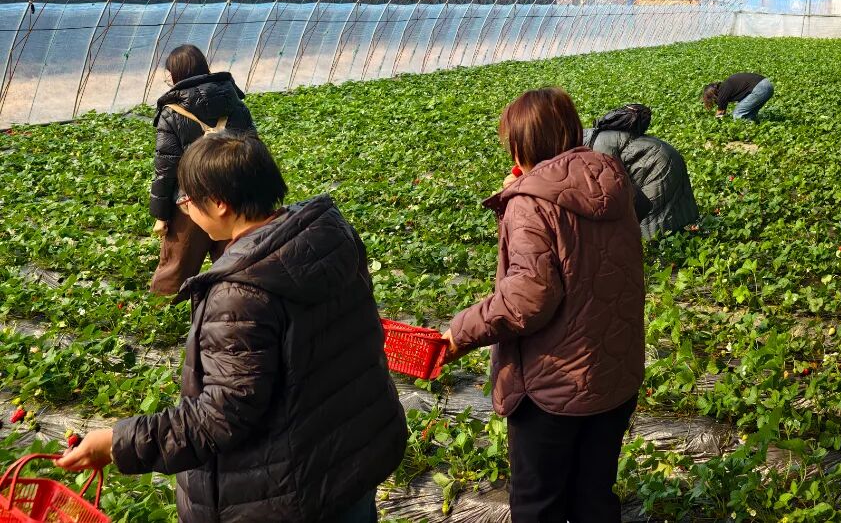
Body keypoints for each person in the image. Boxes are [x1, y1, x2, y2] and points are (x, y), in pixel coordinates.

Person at [58, 133, 407, 522]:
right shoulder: (327, 236)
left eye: (187, 200)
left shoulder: (241, 293)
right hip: (352, 460)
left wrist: (117, 443)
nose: (186, 209)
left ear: (220, 203)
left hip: (291, 493)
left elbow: (222, 415)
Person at [443, 88, 644, 523]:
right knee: (594, 497)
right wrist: (522, 194)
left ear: (522, 145)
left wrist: (460, 331)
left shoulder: (532, 203)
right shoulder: (612, 179)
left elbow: (527, 298)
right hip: (614, 373)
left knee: (539, 506)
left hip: (554, 386)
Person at [149, 44, 255, 295]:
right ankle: (237, 308)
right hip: (233, 199)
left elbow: (166, 167)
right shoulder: (235, 104)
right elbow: (253, 151)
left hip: (190, 203)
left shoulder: (172, 112)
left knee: (175, 270)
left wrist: (161, 215)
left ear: (175, 74)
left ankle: (163, 314)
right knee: (236, 266)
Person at [584, 105, 698, 240]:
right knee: (669, 209)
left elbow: (610, 188)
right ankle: (681, 239)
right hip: (664, 155)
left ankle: (662, 247)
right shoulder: (596, 136)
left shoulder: (599, 146)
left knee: (650, 217)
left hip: (657, 165)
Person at [701, 73, 774, 121]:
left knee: (737, 113)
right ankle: (753, 129)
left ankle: (745, 132)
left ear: (712, 95)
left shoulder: (722, 93)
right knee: (749, 114)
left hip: (760, 87)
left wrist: (717, 123)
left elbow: (720, 114)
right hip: (767, 84)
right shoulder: (725, 87)